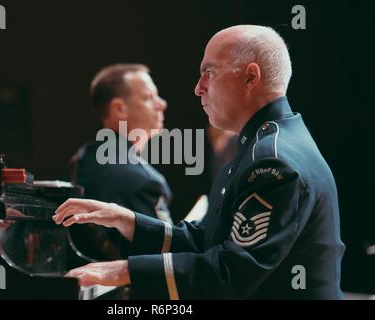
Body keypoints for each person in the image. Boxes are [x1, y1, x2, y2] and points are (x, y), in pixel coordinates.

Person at [54, 25, 345, 299]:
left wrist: (124, 270)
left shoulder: (273, 162)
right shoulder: (262, 147)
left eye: (209, 73)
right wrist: (125, 219)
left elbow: (229, 272)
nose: (198, 88)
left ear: (250, 77)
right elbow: (209, 241)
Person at [71, 64, 173, 224]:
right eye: (148, 97)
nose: (162, 104)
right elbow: (162, 245)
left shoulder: (83, 159)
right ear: (119, 109)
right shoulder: (145, 181)